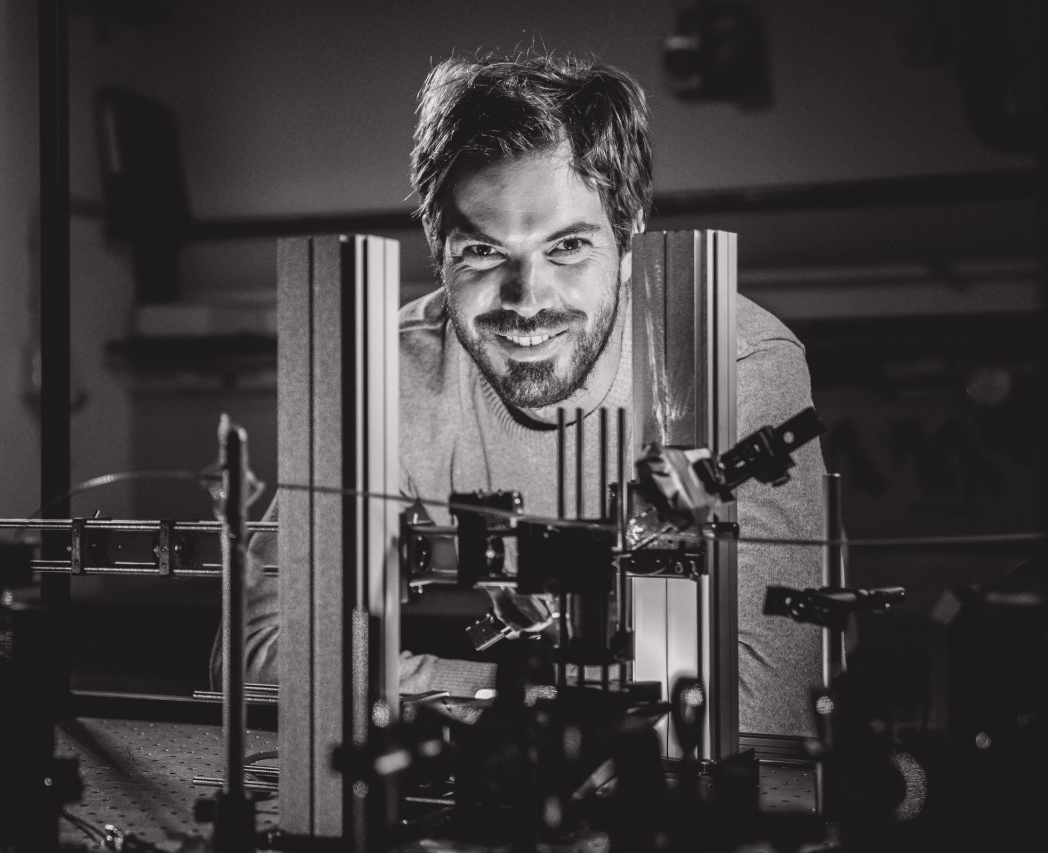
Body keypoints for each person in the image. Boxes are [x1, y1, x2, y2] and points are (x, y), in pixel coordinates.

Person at [215, 51, 824, 737]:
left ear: (629, 244)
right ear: (437, 248)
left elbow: (770, 705)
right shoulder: (384, 372)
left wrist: (454, 694)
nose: (525, 300)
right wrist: (517, 702)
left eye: (565, 247)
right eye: (481, 252)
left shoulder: (737, 364)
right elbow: (260, 660)